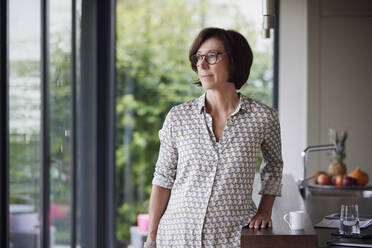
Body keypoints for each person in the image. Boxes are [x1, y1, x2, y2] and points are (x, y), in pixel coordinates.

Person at [144, 27, 283, 248]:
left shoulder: (263, 117)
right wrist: (151, 239)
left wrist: (264, 210)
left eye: (212, 56)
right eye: (198, 57)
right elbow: (162, 179)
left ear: (235, 61)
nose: (202, 64)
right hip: (176, 238)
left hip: (231, 239)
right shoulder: (178, 117)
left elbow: (274, 166)